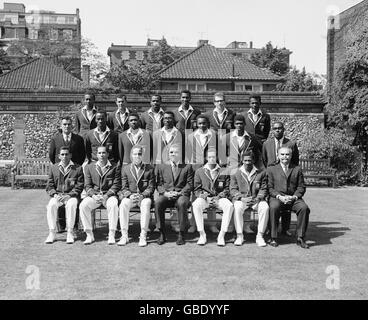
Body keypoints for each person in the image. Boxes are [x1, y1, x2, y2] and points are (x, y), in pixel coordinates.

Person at [267, 147, 310, 249]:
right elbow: (269, 187)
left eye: (287, 154)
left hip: (293, 198)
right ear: (278, 155)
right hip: (277, 197)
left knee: (304, 208)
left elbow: (301, 187)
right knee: (273, 207)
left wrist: (294, 197)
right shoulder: (271, 169)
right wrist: (279, 196)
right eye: (282, 154)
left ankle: (300, 237)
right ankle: (273, 237)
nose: (284, 157)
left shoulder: (297, 169)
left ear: (291, 156)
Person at [262, 121, 300, 236]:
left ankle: (285, 228)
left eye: (279, 128)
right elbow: (264, 160)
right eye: (275, 128)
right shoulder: (266, 144)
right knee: (272, 203)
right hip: (272, 176)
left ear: (283, 130)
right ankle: (271, 227)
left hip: (286, 174)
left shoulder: (291, 143)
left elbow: (295, 160)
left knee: (287, 201)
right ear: (272, 130)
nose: (277, 130)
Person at [79, 146, 121, 245]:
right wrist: (93, 195)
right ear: (96, 155)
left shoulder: (115, 166)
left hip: (109, 196)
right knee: (83, 205)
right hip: (95, 196)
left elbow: (117, 184)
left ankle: (112, 234)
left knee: (113, 205)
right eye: (99, 153)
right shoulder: (89, 167)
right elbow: (87, 185)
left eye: (103, 153)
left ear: (108, 154)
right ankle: (89, 234)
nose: (101, 155)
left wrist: (107, 195)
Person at [192, 149, 234, 246]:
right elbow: (196, 190)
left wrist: (218, 197)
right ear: (206, 158)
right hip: (205, 199)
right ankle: (202, 234)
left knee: (229, 206)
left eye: (214, 157)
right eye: (209, 157)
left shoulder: (224, 171)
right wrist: (205, 197)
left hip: (219, 198)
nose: (212, 159)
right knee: (196, 204)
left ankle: (221, 235)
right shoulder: (199, 171)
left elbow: (227, 188)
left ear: (217, 158)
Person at [155, 144, 194, 245]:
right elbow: (158, 184)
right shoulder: (161, 166)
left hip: (181, 195)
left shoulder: (187, 166)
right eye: (171, 152)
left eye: (176, 152)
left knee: (181, 203)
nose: (173, 154)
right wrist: (165, 193)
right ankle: (162, 233)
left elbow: (190, 184)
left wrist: (180, 193)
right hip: (167, 195)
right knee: (158, 202)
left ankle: (181, 234)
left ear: (180, 154)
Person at [186, 114, 219, 233]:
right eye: (199, 123)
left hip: (210, 167)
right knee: (196, 197)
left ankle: (212, 223)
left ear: (208, 124)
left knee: (211, 193)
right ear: (196, 124)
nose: (201, 125)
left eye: (204, 123)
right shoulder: (191, 136)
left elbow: (218, 151)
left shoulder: (214, 135)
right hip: (196, 170)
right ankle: (193, 224)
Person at [45, 147, 84, 244]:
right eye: (62, 154)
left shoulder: (78, 168)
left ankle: (70, 232)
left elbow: (79, 186)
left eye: (66, 154)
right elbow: (49, 186)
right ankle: (52, 232)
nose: (64, 156)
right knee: (51, 205)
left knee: (71, 205)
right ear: (59, 156)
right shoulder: (54, 167)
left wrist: (69, 195)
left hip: (72, 197)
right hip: (58, 196)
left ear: (70, 155)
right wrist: (54, 194)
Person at [118, 146, 155, 247]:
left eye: (139, 154)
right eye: (135, 154)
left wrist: (142, 195)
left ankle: (143, 235)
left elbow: (151, 187)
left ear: (142, 155)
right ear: (131, 156)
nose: (137, 156)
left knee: (146, 203)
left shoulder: (150, 168)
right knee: (123, 204)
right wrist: (130, 195)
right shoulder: (125, 169)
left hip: (144, 198)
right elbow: (123, 187)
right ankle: (124, 235)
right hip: (131, 197)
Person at [230, 151, 269, 247]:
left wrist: (258, 198)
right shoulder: (235, 172)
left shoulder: (261, 173)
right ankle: (239, 236)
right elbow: (233, 189)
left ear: (254, 160)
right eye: (245, 160)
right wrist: (241, 198)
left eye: (250, 160)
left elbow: (263, 188)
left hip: (256, 200)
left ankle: (260, 236)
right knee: (237, 206)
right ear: (242, 161)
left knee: (265, 207)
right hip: (242, 200)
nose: (247, 162)